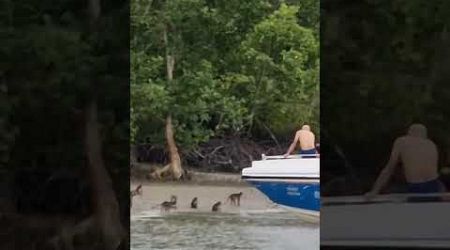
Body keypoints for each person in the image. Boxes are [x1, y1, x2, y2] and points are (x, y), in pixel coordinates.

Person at [365, 124, 445, 201]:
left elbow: (389, 169)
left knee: (395, 191)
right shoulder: (431, 144)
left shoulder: (401, 141)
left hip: (416, 186)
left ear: (409, 132)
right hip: (434, 185)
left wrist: (374, 191)